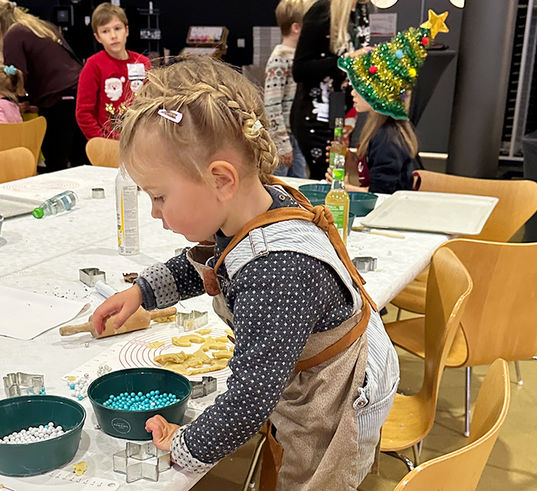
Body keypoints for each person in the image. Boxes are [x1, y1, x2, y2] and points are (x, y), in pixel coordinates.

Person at [91, 56, 398, 489]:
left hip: (339, 397)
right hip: (304, 372)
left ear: (221, 180)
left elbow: (249, 400)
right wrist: (142, 292)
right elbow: (209, 263)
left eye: (159, 196)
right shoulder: (251, 207)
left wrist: (187, 443)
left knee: (312, 476)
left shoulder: (276, 273)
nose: (155, 213)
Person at [327, 14, 446, 193]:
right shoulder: (379, 130)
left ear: (378, 92)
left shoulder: (387, 139)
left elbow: (381, 194)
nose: (352, 92)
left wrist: (342, 188)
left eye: (359, 87)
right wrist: (351, 159)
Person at [0, 0, 86, 172]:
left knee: (56, 161)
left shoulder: (13, 34)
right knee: (81, 159)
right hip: (80, 88)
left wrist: (15, 101)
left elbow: (17, 75)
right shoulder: (40, 26)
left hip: (57, 98)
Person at [291, 0, 370, 179]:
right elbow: (300, 70)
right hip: (316, 117)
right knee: (326, 178)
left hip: (340, 113)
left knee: (336, 177)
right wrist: (346, 60)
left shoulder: (361, 11)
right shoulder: (322, 11)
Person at [76, 2, 151, 140]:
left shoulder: (143, 62)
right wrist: (101, 142)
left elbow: (152, 104)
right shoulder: (93, 65)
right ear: (98, 37)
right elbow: (84, 113)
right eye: (105, 31)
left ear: (126, 30)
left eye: (117, 28)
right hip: (108, 143)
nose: (113, 36)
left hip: (140, 140)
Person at [264, 0, 308, 178]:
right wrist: (282, 144)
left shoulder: (300, 58)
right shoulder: (279, 58)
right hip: (284, 138)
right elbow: (271, 105)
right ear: (296, 28)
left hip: (297, 135)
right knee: (281, 184)